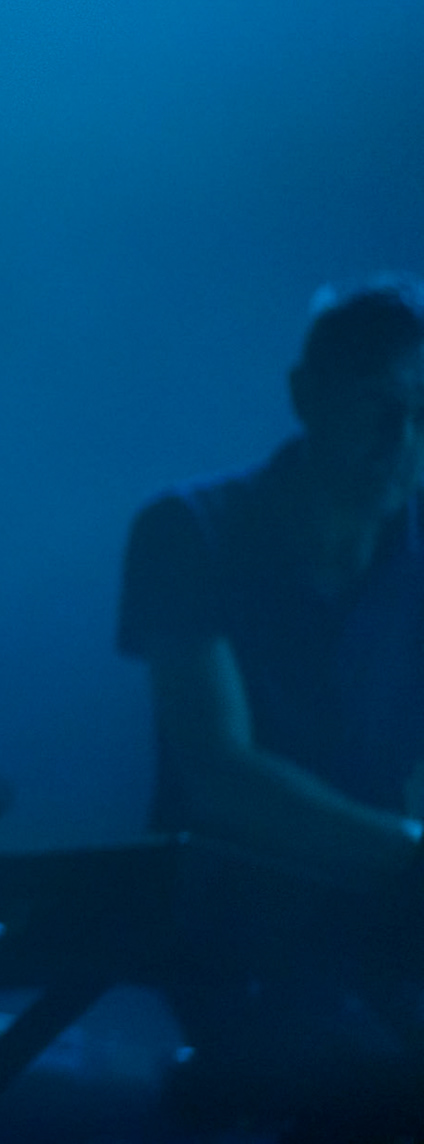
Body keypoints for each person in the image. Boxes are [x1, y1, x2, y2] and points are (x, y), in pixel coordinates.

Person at [117, 275, 424, 1137]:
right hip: (229, 925)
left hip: (374, 934)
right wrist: (407, 857)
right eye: (381, 406)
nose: (403, 441)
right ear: (307, 397)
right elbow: (221, 775)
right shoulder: (189, 531)